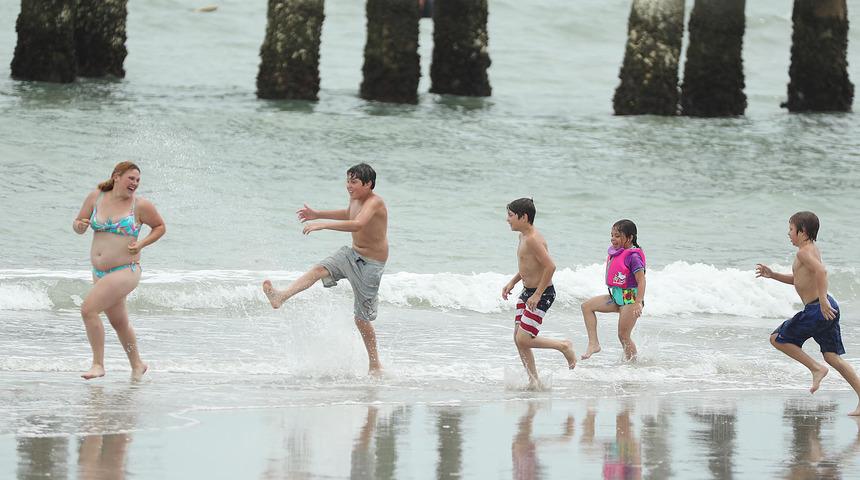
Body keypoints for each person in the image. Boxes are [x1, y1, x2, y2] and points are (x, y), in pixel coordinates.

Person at [263, 163, 388, 375]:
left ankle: (375, 364)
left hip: (371, 265)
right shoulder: (355, 198)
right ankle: (280, 297)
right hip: (352, 254)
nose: (349, 186)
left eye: (354, 182)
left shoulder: (375, 203)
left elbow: (358, 223)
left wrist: (322, 224)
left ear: (368, 184)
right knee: (319, 269)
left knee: (361, 319)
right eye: (348, 180)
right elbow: (349, 213)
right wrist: (316, 214)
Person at [756, 211, 860, 416]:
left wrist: (821, 300)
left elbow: (821, 272)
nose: (788, 234)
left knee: (777, 338)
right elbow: (800, 279)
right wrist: (774, 275)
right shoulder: (811, 249)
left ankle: (816, 369)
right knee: (832, 357)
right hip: (828, 307)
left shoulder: (803, 253)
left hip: (818, 308)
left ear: (802, 232)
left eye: (791, 229)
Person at [73, 161, 166, 380]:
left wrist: (141, 244)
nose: (135, 183)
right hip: (100, 272)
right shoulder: (96, 196)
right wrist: (79, 226)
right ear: (116, 176)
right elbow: (79, 222)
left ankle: (98, 364)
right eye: (131, 178)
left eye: (137, 180)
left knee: (88, 310)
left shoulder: (140, 206)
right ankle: (137, 364)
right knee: (119, 322)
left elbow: (160, 227)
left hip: (126, 270)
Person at [502, 198, 576, 390]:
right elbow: (528, 266)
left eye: (510, 215)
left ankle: (564, 346)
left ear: (524, 217)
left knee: (523, 338)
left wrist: (537, 295)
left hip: (541, 294)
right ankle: (534, 381)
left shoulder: (533, 239)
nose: (507, 219)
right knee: (518, 337)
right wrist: (513, 281)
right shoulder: (523, 237)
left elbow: (550, 267)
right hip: (528, 291)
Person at [580, 219, 646, 361]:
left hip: (630, 299)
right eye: (612, 235)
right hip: (616, 296)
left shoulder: (633, 257)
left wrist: (638, 302)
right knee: (586, 306)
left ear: (629, 238)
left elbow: (641, 280)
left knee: (623, 336)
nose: (612, 239)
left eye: (617, 236)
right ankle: (593, 344)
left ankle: (633, 366)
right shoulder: (617, 253)